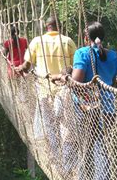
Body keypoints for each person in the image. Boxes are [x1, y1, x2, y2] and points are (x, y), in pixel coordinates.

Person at [71, 21, 117, 180]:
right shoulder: (114, 55)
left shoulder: (82, 53)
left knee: (86, 149)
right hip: (108, 108)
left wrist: (66, 77)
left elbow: (76, 82)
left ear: (86, 37)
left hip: (87, 108)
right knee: (102, 150)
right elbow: (113, 81)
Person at [16, 16, 76, 167]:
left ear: (46, 27)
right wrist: (65, 73)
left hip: (43, 90)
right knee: (65, 125)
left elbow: (27, 65)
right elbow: (74, 66)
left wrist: (19, 69)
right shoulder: (67, 41)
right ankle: (67, 163)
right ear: (59, 27)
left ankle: (56, 160)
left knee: (49, 126)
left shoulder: (37, 41)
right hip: (63, 90)